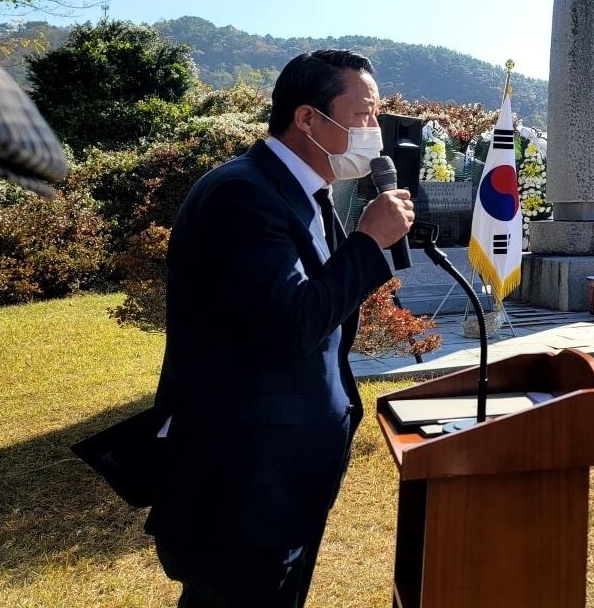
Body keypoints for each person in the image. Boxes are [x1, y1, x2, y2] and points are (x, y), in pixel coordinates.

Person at [143, 50, 414, 606]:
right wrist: (367, 244)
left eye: (377, 114)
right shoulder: (241, 194)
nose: (373, 130)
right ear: (308, 118)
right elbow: (288, 325)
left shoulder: (306, 194)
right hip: (242, 484)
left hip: (284, 476)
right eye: (362, 114)